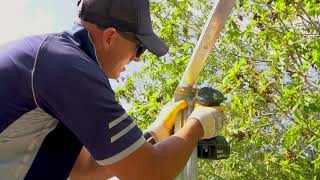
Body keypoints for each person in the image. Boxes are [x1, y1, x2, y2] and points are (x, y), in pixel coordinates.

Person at [0, 0, 225, 179]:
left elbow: (83, 169)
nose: (137, 60)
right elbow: (150, 173)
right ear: (109, 37)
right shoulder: (69, 67)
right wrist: (198, 125)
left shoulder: (53, 60)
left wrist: (154, 134)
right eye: (139, 49)